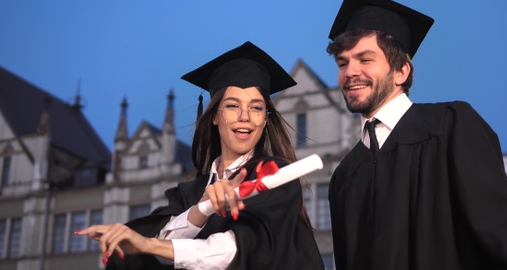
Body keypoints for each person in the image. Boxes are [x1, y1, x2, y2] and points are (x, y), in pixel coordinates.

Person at [326, 0, 507, 270]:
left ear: (401, 72)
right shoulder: (345, 176)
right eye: (342, 63)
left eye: (365, 59)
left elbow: (505, 237)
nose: (350, 73)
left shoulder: (450, 127)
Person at [77, 41, 324, 269]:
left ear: (265, 119)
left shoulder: (274, 176)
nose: (245, 116)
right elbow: (152, 256)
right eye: (232, 105)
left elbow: (233, 251)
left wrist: (149, 244)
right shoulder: (189, 193)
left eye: (257, 108)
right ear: (215, 115)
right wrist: (201, 209)